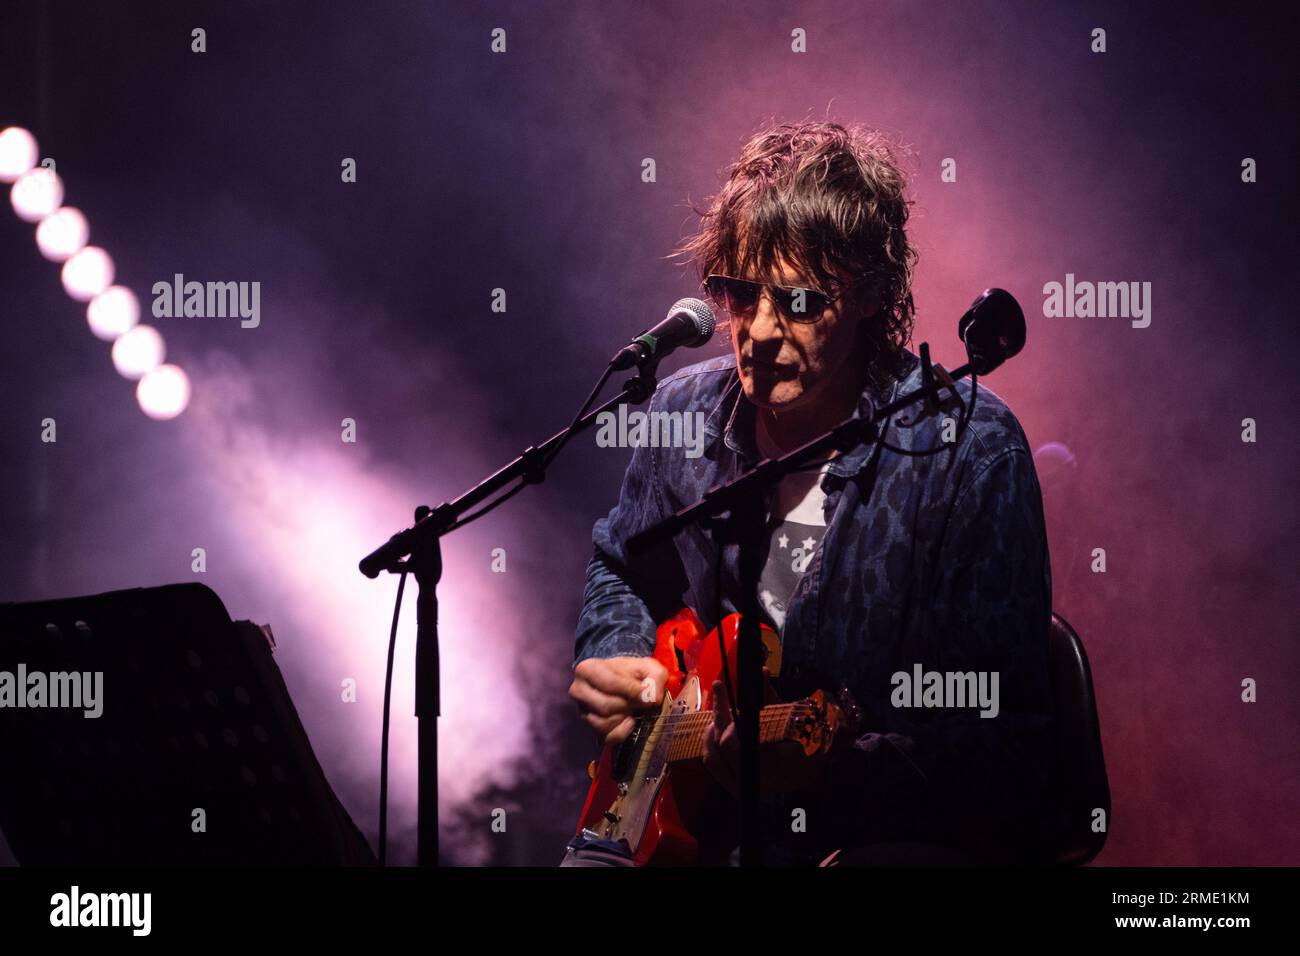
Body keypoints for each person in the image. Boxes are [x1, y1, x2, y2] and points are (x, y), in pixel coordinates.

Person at [564, 120, 1057, 866]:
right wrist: (618, 655)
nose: (758, 331)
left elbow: (1002, 726)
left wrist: (840, 769)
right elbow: (621, 563)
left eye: (797, 302)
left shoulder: (969, 449)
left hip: (878, 839)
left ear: (868, 294)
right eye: (737, 293)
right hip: (693, 821)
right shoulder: (683, 413)